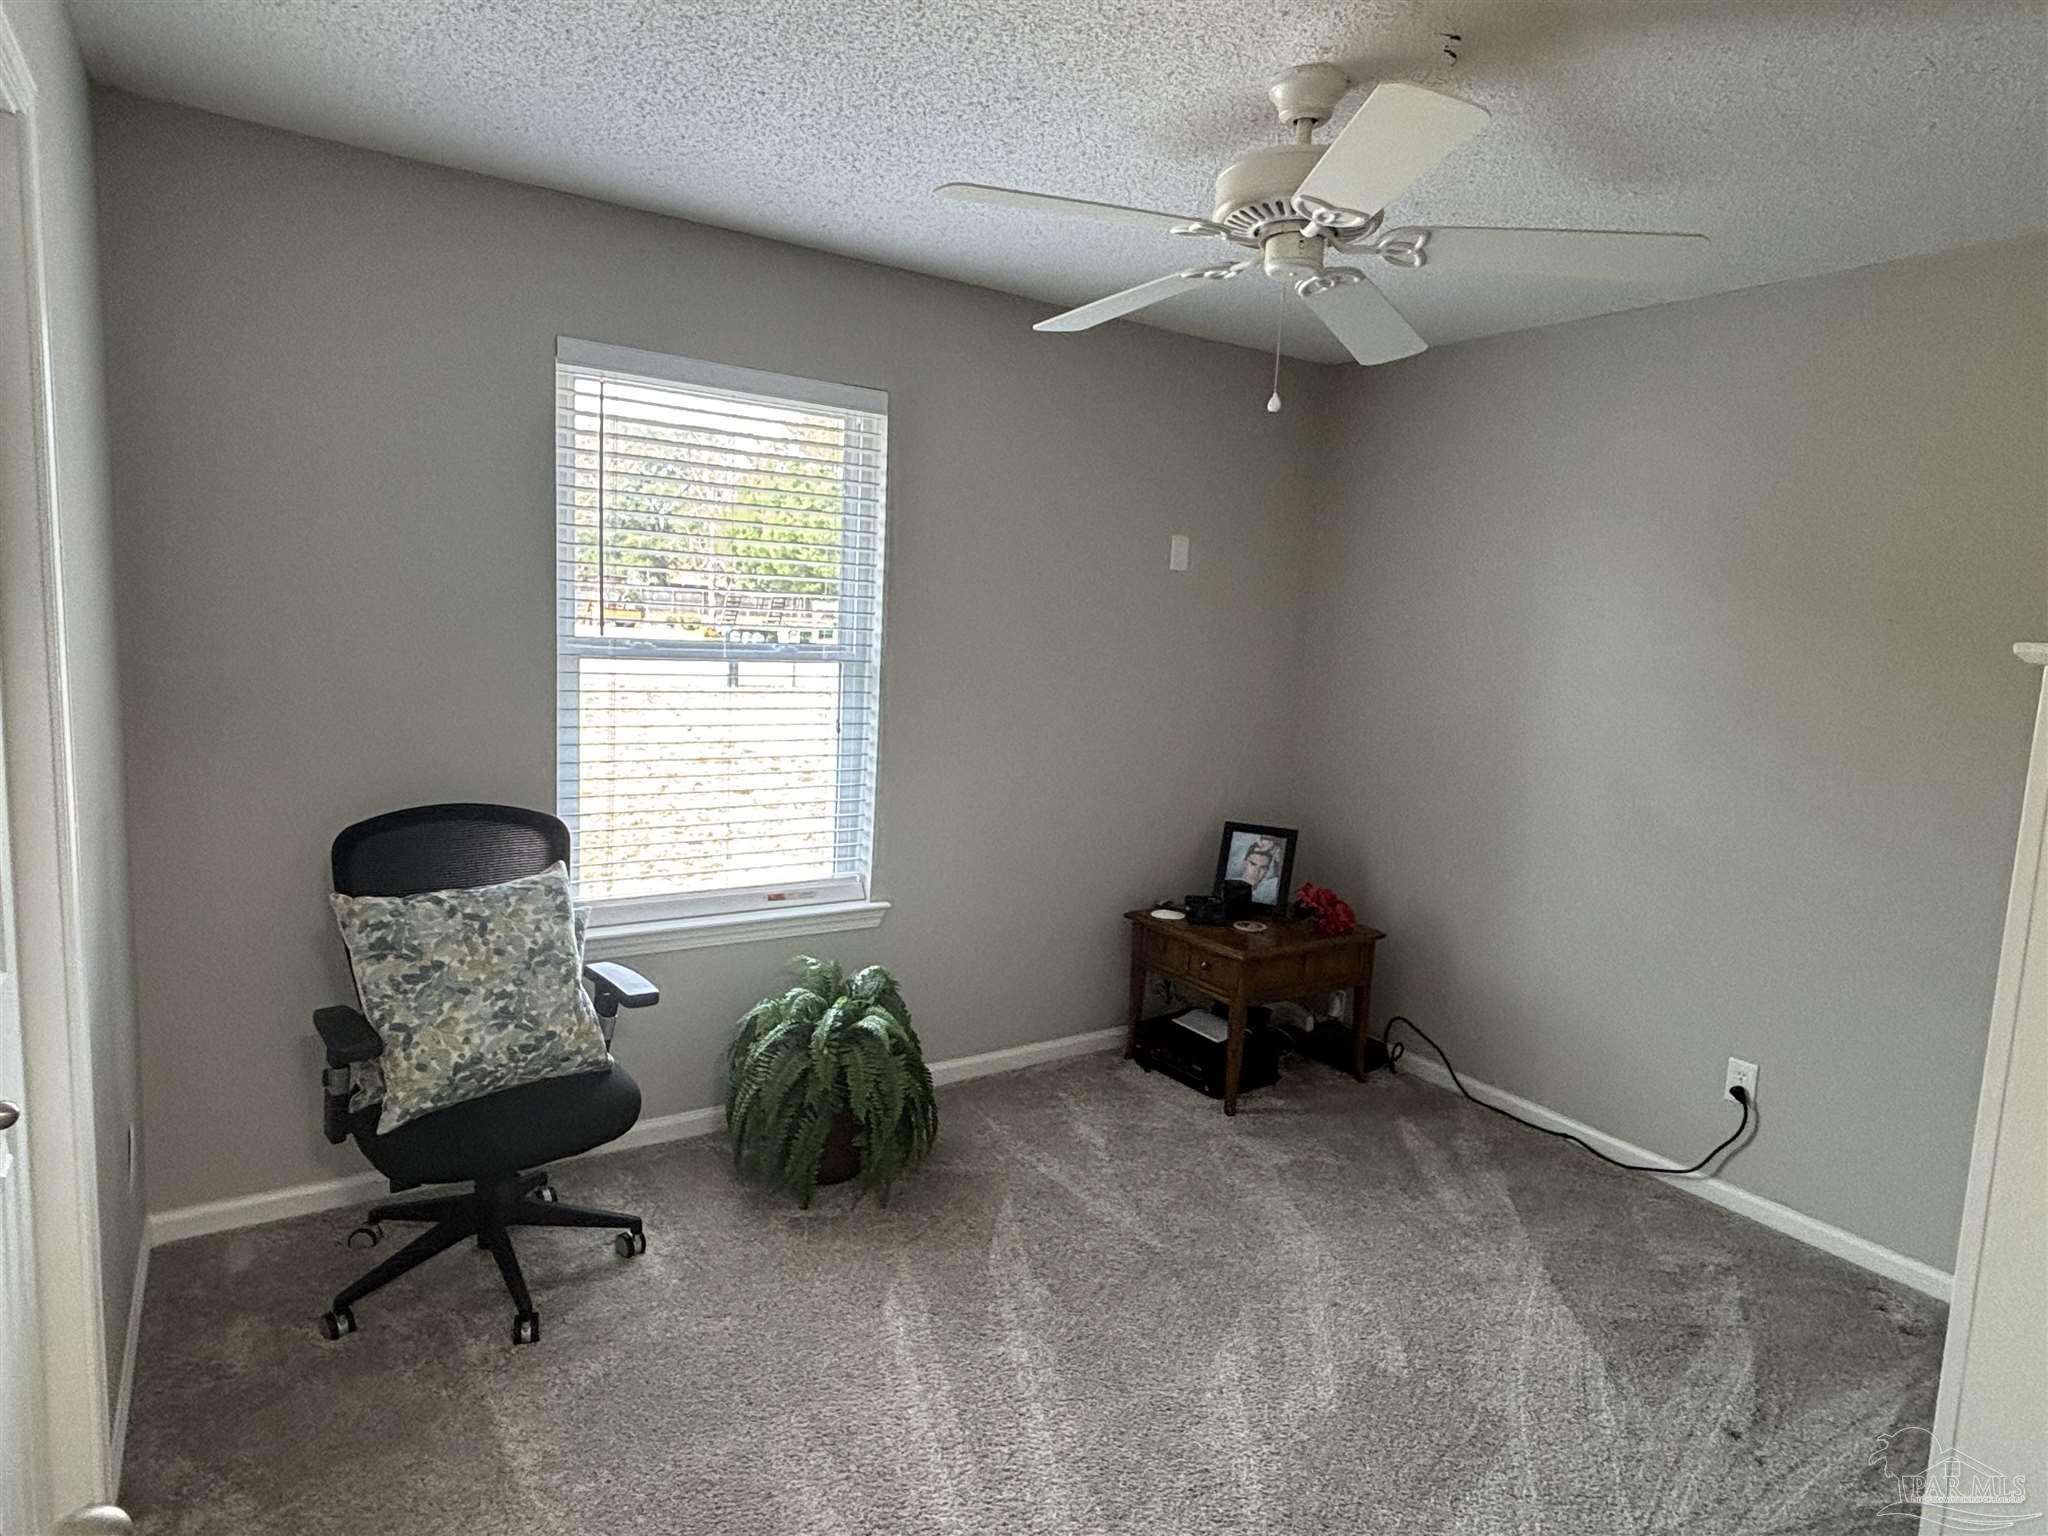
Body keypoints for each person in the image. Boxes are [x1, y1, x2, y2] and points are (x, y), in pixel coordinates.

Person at [1233, 835, 1283, 905]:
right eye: (1253, 864)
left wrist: (1278, 853)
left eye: (1263, 868)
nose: (1257, 871)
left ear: (1267, 871)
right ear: (1245, 863)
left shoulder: (1269, 891)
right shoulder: (1228, 885)